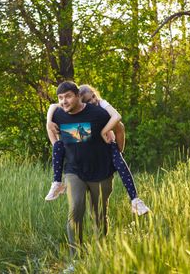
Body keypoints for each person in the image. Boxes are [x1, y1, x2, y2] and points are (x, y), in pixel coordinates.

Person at [45, 84, 150, 216]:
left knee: (120, 166)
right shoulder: (71, 110)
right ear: (82, 102)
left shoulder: (101, 107)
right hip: (77, 166)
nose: (94, 101)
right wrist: (49, 124)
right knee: (59, 145)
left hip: (106, 153)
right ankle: (56, 182)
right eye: (89, 100)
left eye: (94, 96)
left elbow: (119, 125)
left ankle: (135, 200)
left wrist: (118, 147)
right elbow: (53, 106)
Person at [47, 81, 116, 257]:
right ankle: (75, 258)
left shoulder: (98, 113)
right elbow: (51, 126)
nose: (64, 101)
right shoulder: (58, 115)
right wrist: (56, 145)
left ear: (78, 96)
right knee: (76, 208)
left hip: (100, 171)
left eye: (68, 96)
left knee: (99, 214)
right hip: (74, 170)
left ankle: (101, 255)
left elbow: (119, 127)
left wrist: (119, 151)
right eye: (60, 98)